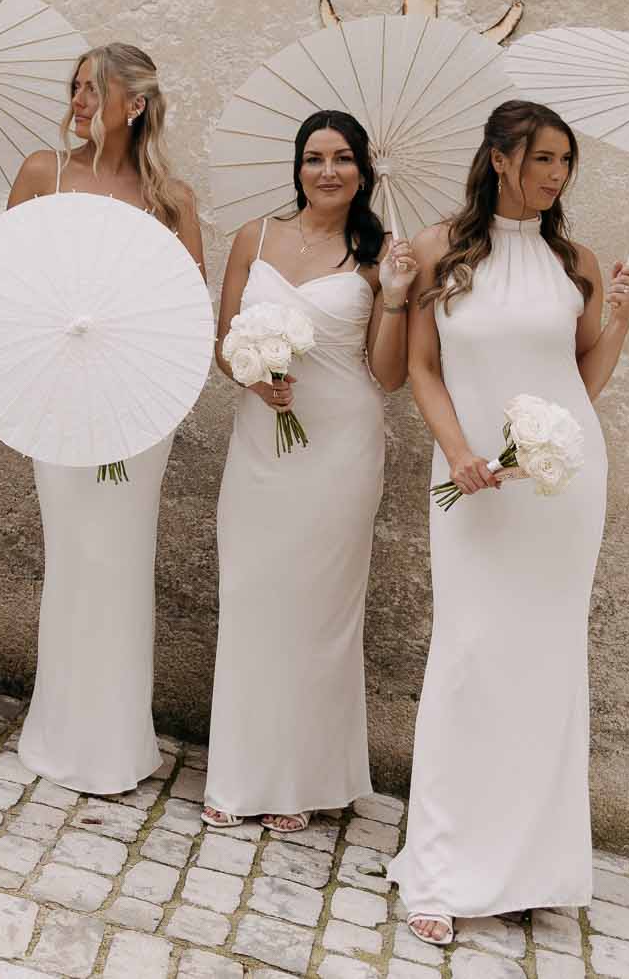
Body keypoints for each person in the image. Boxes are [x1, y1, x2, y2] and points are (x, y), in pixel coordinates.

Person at [387, 100, 629, 946]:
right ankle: (443, 866)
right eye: (544, 158)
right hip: (470, 483)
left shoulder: (577, 262)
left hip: (560, 491)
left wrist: (622, 322)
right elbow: (422, 367)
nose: (558, 175)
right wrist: (458, 450)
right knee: (468, 657)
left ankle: (526, 865)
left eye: (566, 162)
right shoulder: (436, 250)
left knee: (545, 663)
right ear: (500, 158)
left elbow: (579, 381)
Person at [202, 110, 415, 831]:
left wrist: (395, 295)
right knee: (252, 593)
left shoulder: (379, 252)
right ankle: (240, 770)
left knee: (318, 610)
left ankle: (301, 778)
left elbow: (387, 375)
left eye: (343, 158)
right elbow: (222, 345)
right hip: (261, 441)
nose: (328, 171)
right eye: (315, 157)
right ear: (297, 167)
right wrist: (256, 377)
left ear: (363, 171)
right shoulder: (253, 238)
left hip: (341, 446)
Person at [3, 43, 204, 795]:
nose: (80, 100)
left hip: (137, 407)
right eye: (76, 87)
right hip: (60, 398)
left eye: (95, 88)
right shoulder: (41, 173)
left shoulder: (171, 198)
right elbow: (6, 277)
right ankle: (59, 730)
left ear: (136, 103)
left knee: (119, 561)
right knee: (73, 556)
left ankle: (119, 740)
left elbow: (189, 313)